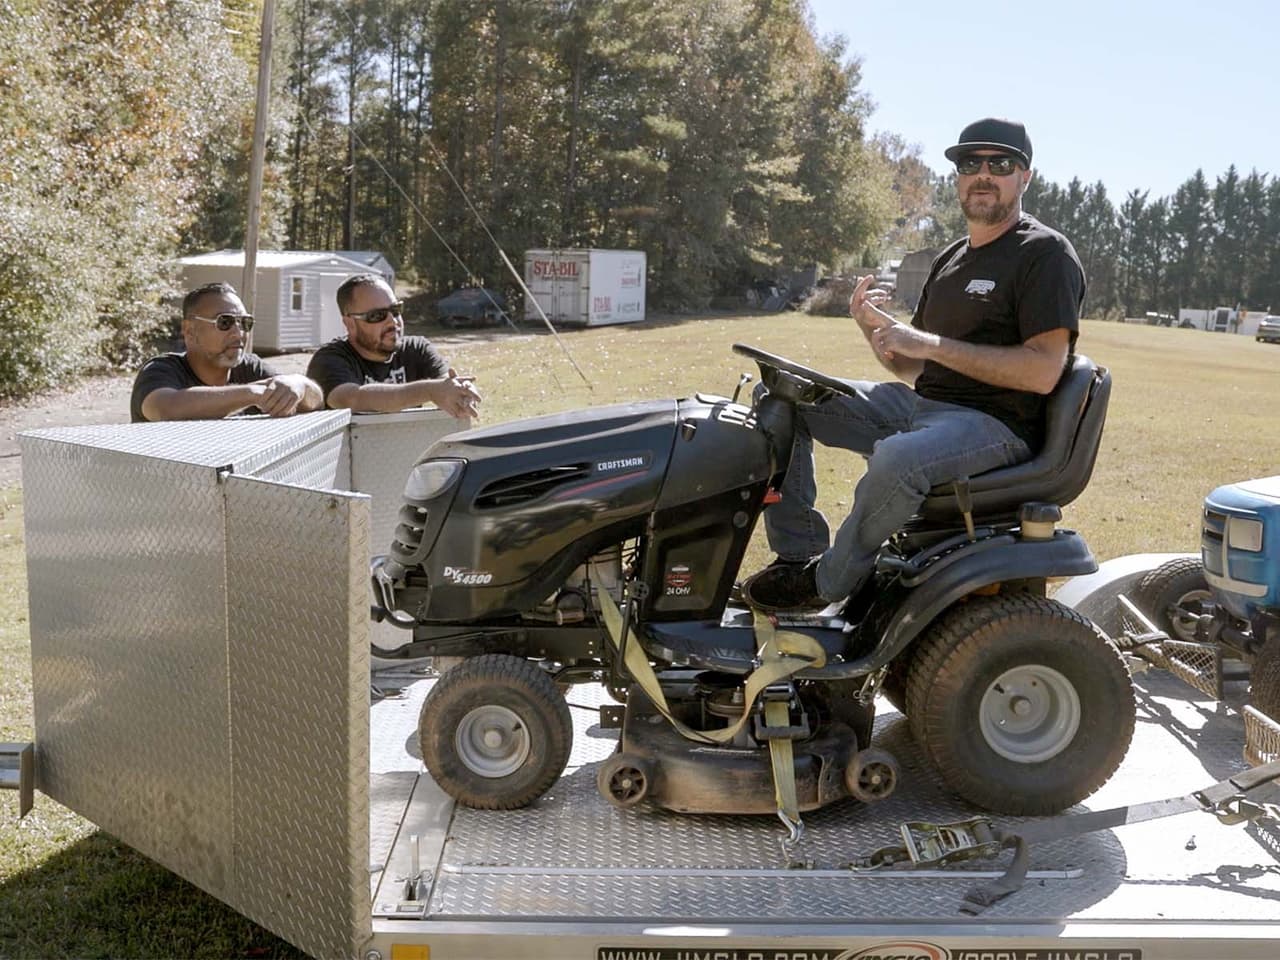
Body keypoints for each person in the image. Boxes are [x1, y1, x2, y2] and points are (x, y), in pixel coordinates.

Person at [742, 117, 1085, 611]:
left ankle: (826, 586)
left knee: (898, 460)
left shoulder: (1045, 254)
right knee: (783, 395)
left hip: (996, 428)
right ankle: (797, 555)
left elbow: (1043, 371)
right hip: (923, 406)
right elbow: (917, 371)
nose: (983, 174)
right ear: (958, 176)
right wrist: (872, 326)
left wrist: (928, 342)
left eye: (1000, 164)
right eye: (971, 163)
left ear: (1025, 176)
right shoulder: (951, 259)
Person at [131, 282, 323, 423]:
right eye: (225, 322)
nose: (239, 333)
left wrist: (300, 385)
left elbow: (316, 402)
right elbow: (165, 409)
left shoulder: (251, 367)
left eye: (244, 323)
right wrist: (252, 393)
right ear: (189, 330)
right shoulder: (161, 370)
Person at [305, 274, 482, 418]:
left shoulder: (417, 349)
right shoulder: (329, 360)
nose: (393, 321)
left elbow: (446, 385)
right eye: (377, 315)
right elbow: (352, 399)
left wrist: (462, 392)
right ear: (350, 324)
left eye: (395, 310)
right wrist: (429, 390)